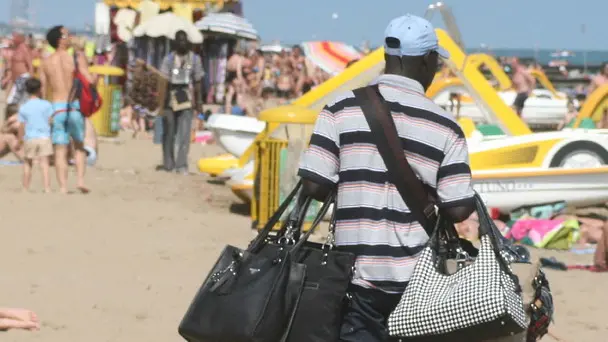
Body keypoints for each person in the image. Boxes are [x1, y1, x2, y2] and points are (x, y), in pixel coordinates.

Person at [297, 14, 476, 341]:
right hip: (417, 282)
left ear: (387, 57)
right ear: (427, 60)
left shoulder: (339, 109)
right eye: (435, 61)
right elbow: (459, 210)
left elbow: (313, 185)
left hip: (353, 273)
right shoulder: (446, 128)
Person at [41, 25, 93, 194]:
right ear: (60, 39)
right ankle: (80, 180)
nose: (70, 37)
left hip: (56, 107)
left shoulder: (46, 62)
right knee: (79, 145)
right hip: (74, 106)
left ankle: (63, 187)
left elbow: (43, 91)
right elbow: (89, 80)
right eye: (67, 35)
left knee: (60, 149)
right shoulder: (75, 58)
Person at [159, 30, 204, 174]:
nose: (182, 43)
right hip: (169, 96)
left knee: (184, 134)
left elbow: (198, 81)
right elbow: (163, 80)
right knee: (169, 132)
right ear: (175, 42)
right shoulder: (169, 59)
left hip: (186, 96)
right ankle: (168, 163)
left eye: (184, 40)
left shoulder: (195, 59)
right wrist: (162, 102)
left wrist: (199, 102)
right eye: (179, 40)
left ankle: (181, 164)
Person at [16, 78, 54, 192]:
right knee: (45, 164)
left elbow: (21, 126)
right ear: (39, 89)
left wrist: (20, 140)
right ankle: (47, 188)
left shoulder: (24, 107)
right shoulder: (46, 104)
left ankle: (25, 187)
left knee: (28, 163)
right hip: (44, 137)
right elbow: (51, 120)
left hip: (30, 137)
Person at [4, 31, 33, 106]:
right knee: (19, 102)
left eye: (15, 37)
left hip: (23, 78)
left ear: (20, 38)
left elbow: (30, 65)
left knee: (11, 102)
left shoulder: (24, 49)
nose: (13, 39)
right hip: (17, 79)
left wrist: (31, 80)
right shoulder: (17, 48)